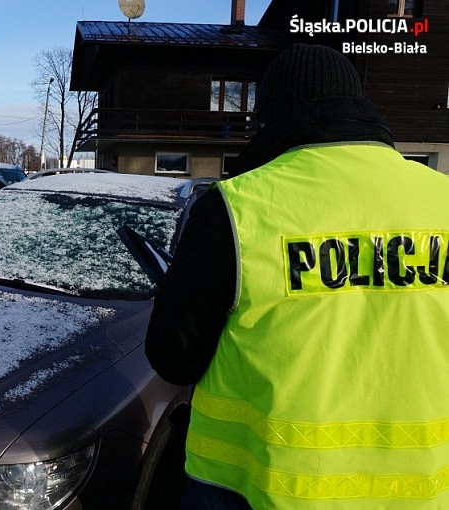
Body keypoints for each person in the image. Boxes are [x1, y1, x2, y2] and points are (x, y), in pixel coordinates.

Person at [145, 42, 449, 510]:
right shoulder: (442, 199)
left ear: (270, 117)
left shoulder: (236, 207)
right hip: (425, 489)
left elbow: (174, 357)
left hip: (254, 485)